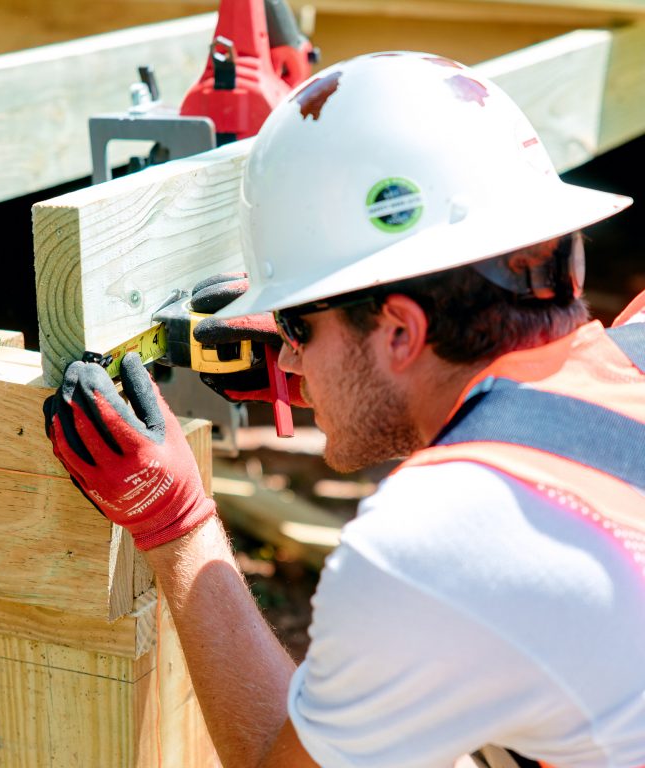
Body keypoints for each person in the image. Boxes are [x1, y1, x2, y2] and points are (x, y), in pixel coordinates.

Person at [44, 52, 645, 767]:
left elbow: (277, 758)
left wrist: (175, 522)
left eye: (296, 326)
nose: (287, 358)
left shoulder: (432, 550)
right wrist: (357, 368)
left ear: (400, 332)